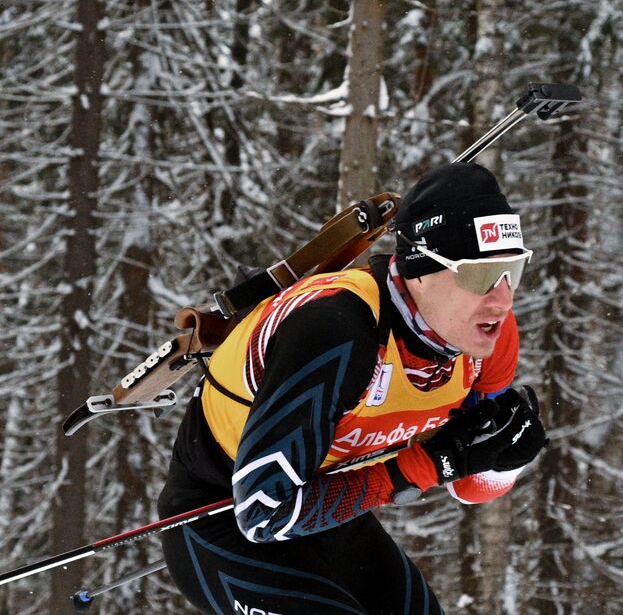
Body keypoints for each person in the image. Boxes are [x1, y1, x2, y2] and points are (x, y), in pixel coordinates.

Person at [158, 162, 548, 615]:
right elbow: (264, 513)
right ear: (419, 270)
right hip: (222, 515)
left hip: (328, 510)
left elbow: (472, 486)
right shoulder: (336, 331)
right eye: (480, 275)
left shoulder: (486, 336)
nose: (501, 299)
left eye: (512, 271)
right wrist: (428, 464)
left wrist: (506, 458)